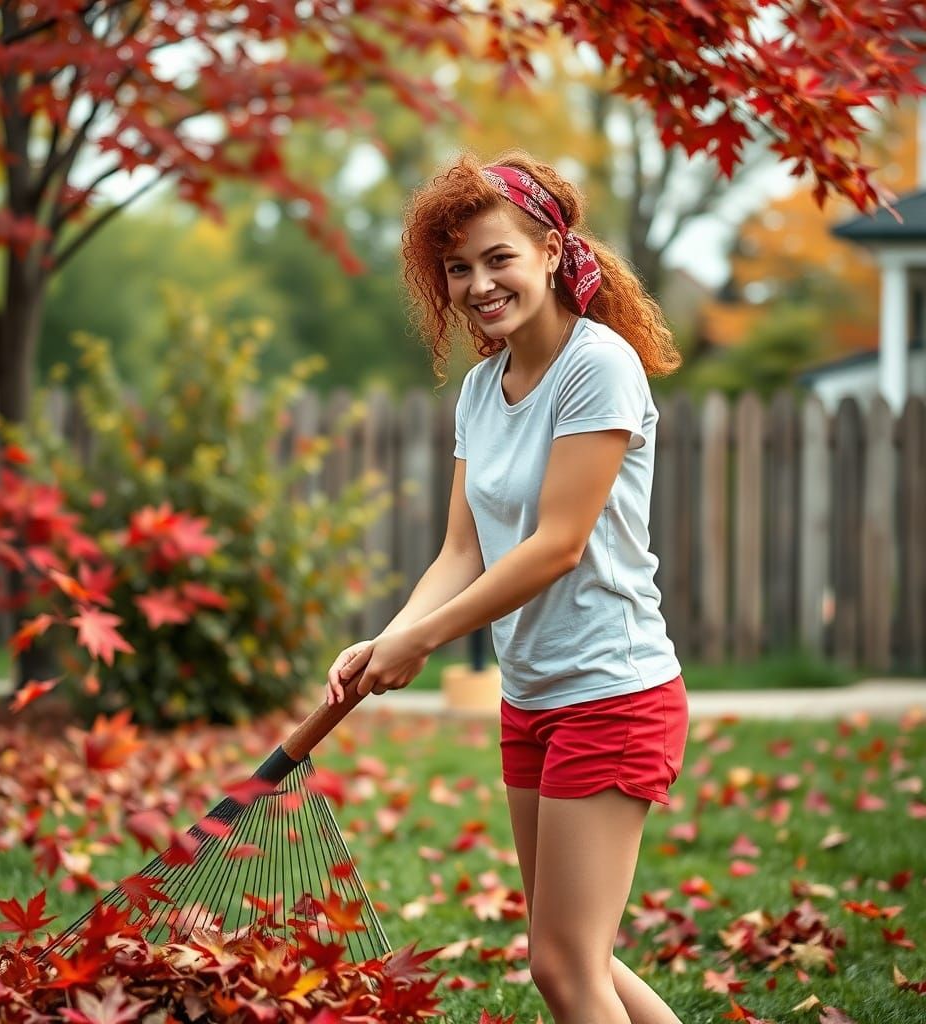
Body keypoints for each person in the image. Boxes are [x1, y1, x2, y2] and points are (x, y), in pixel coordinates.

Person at [325, 150, 687, 1024]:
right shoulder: (483, 390)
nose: (479, 285)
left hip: (613, 689)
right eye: (458, 268)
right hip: (531, 695)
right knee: (575, 958)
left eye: (499, 259)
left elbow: (555, 546)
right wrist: (391, 632)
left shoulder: (599, 367)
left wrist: (429, 639)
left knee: (564, 967)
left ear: (553, 252)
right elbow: (462, 549)